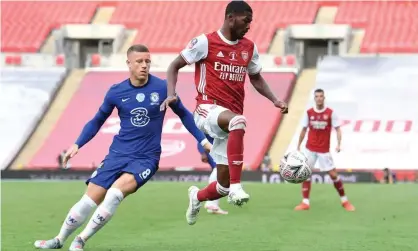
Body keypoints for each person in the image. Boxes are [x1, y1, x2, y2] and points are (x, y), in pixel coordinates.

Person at [34, 44, 211, 250]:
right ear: (129, 63)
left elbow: (184, 115)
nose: (144, 66)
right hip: (117, 154)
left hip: (146, 158)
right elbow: (97, 120)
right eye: (139, 61)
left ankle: (80, 240)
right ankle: (59, 240)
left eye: (147, 61)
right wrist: (77, 144)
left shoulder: (163, 88)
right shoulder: (116, 92)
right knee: (88, 200)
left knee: (114, 194)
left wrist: (203, 140)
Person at [160, 0, 288, 225]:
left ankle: (197, 197)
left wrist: (275, 99)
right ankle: (238, 187)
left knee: (222, 186)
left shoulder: (249, 48)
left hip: (228, 119)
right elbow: (174, 65)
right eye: (246, 20)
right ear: (231, 18)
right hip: (207, 109)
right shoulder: (205, 42)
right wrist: (171, 93)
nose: (249, 26)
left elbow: (255, 77)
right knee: (239, 122)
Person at [294, 89, 355, 211]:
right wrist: (298, 145)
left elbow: (338, 129)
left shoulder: (330, 113)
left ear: (324, 98)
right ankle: (305, 202)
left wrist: (338, 144)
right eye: (317, 96)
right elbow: (304, 129)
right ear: (314, 98)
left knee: (333, 174)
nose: (319, 98)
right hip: (310, 148)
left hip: (323, 150)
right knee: (306, 174)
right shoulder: (309, 113)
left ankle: (345, 201)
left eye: (321, 96)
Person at [197, 135, 228, 215]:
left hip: (216, 149)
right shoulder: (210, 124)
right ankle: (211, 203)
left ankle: (213, 206)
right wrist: (203, 152)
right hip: (211, 149)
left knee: (220, 171)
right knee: (218, 170)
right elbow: (201, 137)